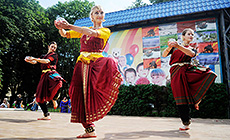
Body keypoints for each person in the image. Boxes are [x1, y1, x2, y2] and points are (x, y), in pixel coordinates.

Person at [54, 5, 122, 138]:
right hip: (81, 65)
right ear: (91, 16)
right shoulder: (84, 30)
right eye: (96, 12)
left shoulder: (105, 30)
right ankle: (89, 129)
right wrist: (60, 27)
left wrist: (69, 25)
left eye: (102, 12)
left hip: (96, 64)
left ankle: (90, 127)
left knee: (92, 93)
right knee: (76, 93)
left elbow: (91, 33)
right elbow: (65, 34)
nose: (99, 14)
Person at [162, 28, 217, 131]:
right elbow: (164, 54)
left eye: (192, 34)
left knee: (208, 74)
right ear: (183, 36)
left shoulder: (192, 48)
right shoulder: (174, 48)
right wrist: (169, 47)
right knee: (180, 97)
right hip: (175, 73)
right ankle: (186, 122)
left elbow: (191, 54)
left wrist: (178, 46)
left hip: (186, 71)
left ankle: (197, 99)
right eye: (189, 34)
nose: (191, 36)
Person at [25, 41, 64, 120]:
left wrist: (34, 58)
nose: (53, 49)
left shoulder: (54, 55)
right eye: (52, 46)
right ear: (48, 46)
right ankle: (46, 115)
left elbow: (47, 61)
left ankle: (54, 99)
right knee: (39, 97)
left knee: (59, 81)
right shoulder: (43, 56)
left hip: (51, 73)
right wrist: (29, 60)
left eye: (55, 48)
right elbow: (36, 62)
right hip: (43, 76)